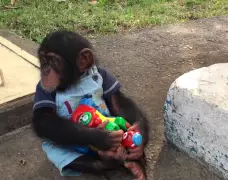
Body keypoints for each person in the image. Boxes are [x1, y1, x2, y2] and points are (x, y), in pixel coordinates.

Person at [32, 31, 150, 180]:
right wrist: (92, 137)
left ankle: (130, 161)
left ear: (83, 60)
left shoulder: (98, 76)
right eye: (43, 60)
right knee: (62, 154)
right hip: (73, 142)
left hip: (108, 134)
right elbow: (43, 124)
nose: (45, 70)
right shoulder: (47, 90)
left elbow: (121, 106)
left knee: (132, 131)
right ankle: (103, 165)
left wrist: (140, 130)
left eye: (53, 62)